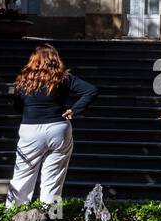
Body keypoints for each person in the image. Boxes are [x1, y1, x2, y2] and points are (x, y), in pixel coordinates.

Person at [6, 44, 98, 206]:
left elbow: (17, 106)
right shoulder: (62, 77)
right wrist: (74, 110)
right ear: (55, 59)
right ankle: (52, 220)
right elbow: (90, 90)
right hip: (58, 128)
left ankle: (12, 218)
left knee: (21, 177)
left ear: (33, 60)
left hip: (30, 129)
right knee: (54, 181)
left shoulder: (23, 79)